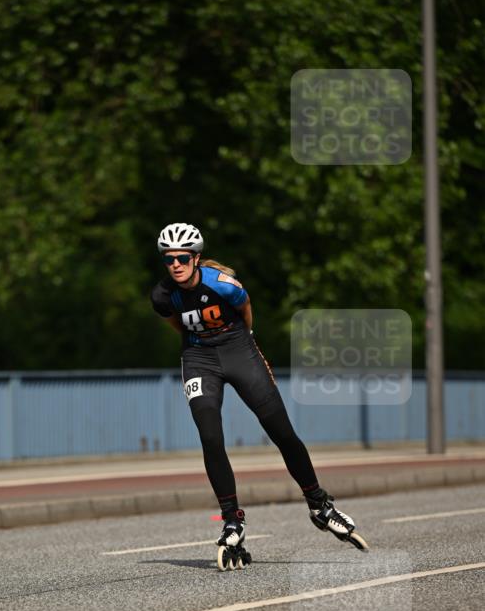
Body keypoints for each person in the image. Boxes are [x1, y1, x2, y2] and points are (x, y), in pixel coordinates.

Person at [150, 221, 368, 561]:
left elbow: (246, 309)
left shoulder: (223, 285)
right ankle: (232, 521)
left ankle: (320, 505)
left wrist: (248, 343)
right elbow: (175, 323)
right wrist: (199, 342)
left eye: (182, 257)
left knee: (281, 431)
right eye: (168, 259)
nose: (175, 264)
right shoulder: (163, 295)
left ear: (197, 258)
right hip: (198, 358)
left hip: (239, 349)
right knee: (209, 435)